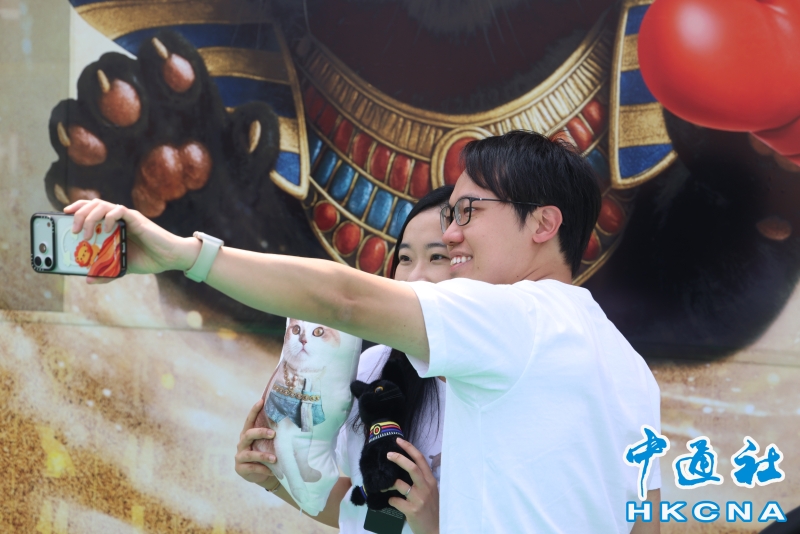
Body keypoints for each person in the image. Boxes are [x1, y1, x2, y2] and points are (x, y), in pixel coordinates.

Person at [66, 130, 661, 533]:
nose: (452, 234)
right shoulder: (628, 368)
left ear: (544, 224)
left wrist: (183, 255)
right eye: (449, 215)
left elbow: (342, 298)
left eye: (469, 212)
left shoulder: (517, 317)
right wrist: (289, 481)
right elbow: (645, 521)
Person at [234, 186, 454, 534]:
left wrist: (434, 527)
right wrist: (272, 478)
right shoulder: (373, 367)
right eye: (405, 259)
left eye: (437, 257)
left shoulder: (494, 386)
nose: (414, 277)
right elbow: (361, 509)